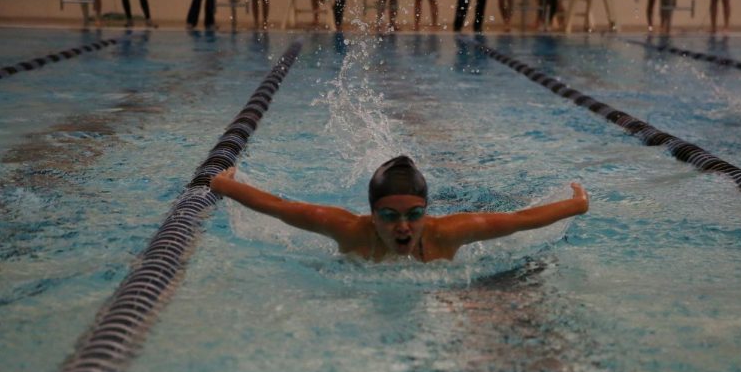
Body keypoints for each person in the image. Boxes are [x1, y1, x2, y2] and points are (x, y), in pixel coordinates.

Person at [209, 156, 589, 263]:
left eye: (414, 214)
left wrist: (576, 204)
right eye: (390, 216)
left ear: (427, 211)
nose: (404, 226)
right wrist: (222, 184)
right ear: (372, 215)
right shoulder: (347, 229)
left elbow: (520, 220)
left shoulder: (449, 233)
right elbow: (278, 207)